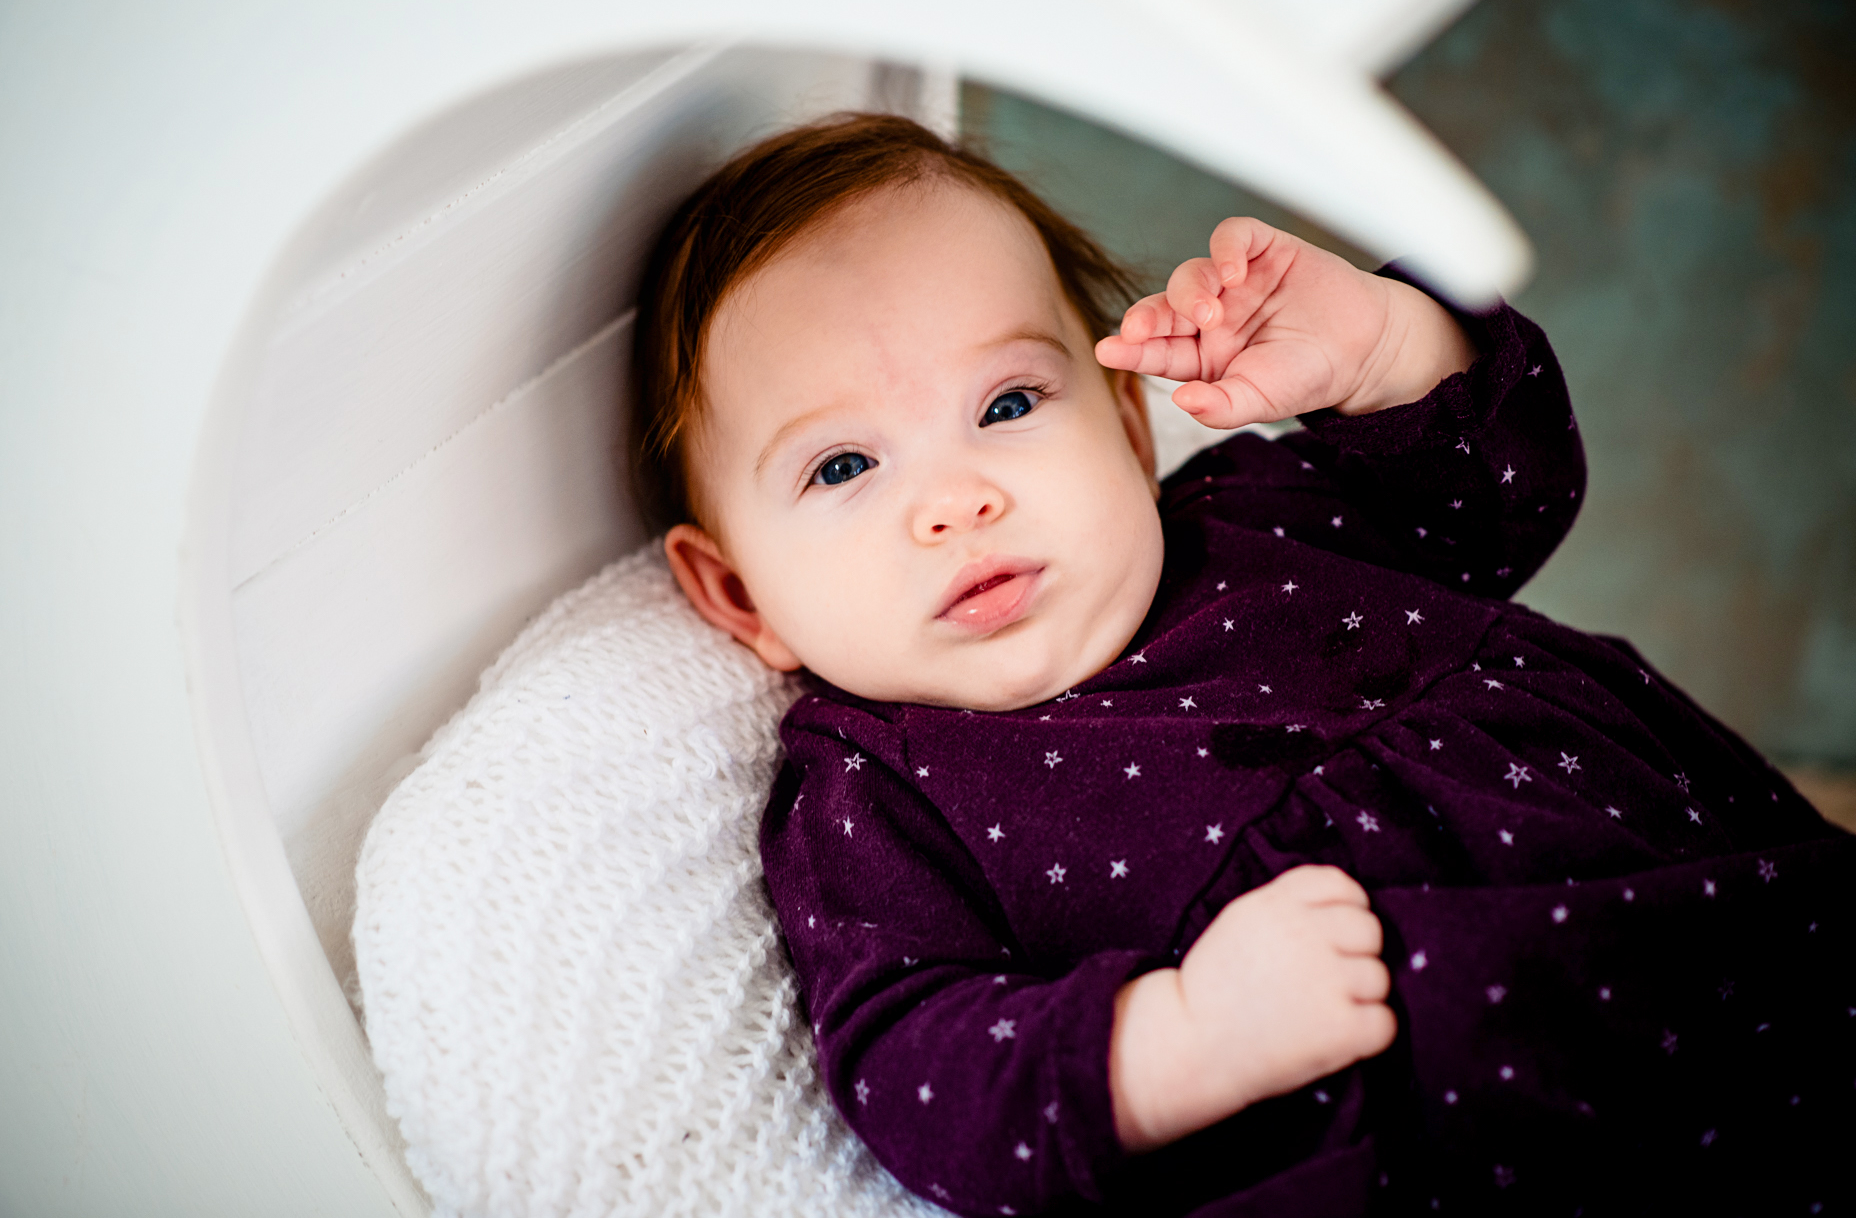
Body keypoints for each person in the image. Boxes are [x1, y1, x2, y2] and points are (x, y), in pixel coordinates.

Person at [630, 113, 1854, 1216]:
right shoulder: (874, 789)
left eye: (1006, 404)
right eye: (842, 468)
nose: (957, 500)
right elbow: (916, 1063)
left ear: (1121, 423)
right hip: (1464, 1130)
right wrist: (1177, 1039)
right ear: (740, 593)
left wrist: (1385, 351)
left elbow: (1505, 499)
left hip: (1735, 931)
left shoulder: (1255, 509)